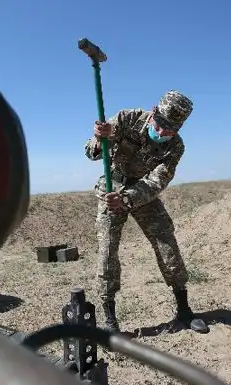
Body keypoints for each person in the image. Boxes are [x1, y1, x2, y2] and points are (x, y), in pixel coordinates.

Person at [83, 90, 208, 335]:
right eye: (160, 124)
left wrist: (128, 199)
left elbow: (157, 181)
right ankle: (110, 321)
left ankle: (184, 311)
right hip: (111, 188)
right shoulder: (127, 118)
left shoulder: (175, 147)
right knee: (108, 250)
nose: (161, 133)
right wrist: (99, 139)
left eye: (169, 130)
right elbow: (90, 153)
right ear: (153, 111)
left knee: (166, 242)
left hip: (142, 192)